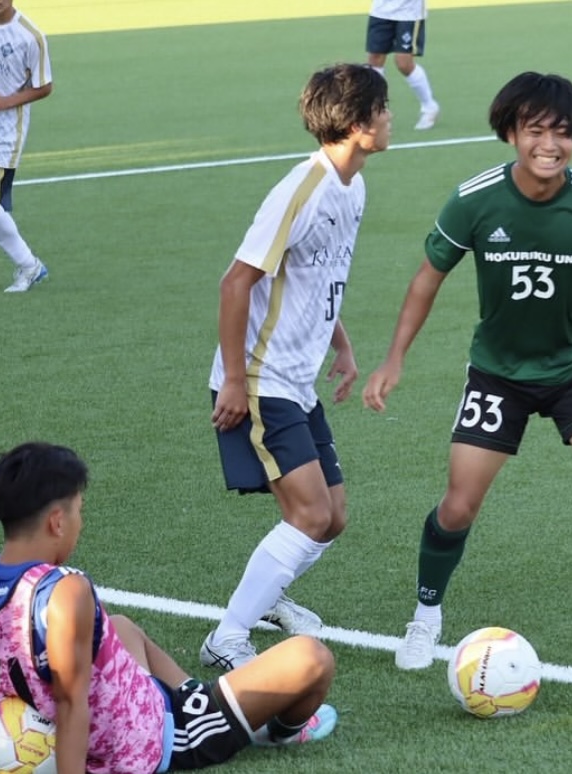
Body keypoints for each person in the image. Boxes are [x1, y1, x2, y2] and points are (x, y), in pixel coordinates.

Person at [362, 71, 572, 670]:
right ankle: (425, 616)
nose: (549, 144)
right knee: (457, 506)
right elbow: (427, 278)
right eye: (535, 130)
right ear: (510, 132)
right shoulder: (474, 200)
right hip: (499, 374)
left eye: (562, 132)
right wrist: (394, 358)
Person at [0, 442, 338, 774]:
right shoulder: (65, 592)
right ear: (57, 522)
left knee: (119, 625)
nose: (81, 523)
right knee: (312, 658)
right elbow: (70, 706)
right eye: (80, 511)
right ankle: (274, 733)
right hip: (158, 738)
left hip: (133, 707)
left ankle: (196, 697)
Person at [201, 63, 391, 670]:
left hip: (296, 378)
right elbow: (235, 283)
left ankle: (268, 595)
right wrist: (235, 381)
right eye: (383, 110)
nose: (390, 119)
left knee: (331, 519)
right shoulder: (301, 191)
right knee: (309, 514)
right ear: (358, 124)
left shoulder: (352, 187)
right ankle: (227, 637)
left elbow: (315, 276)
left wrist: (341, 343)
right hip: (261, 378)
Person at [0, 0, 52, 293]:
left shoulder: (30, 37)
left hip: (2, 137)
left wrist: (3, 102)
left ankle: (30, 266)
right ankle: (30, 266)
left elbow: (44, 86)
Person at [365, 0, 440, 130]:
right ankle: (377, 112)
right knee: (374, 59)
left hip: (409, 13)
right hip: (380, 11)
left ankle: (429, 106)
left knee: (403, 63)